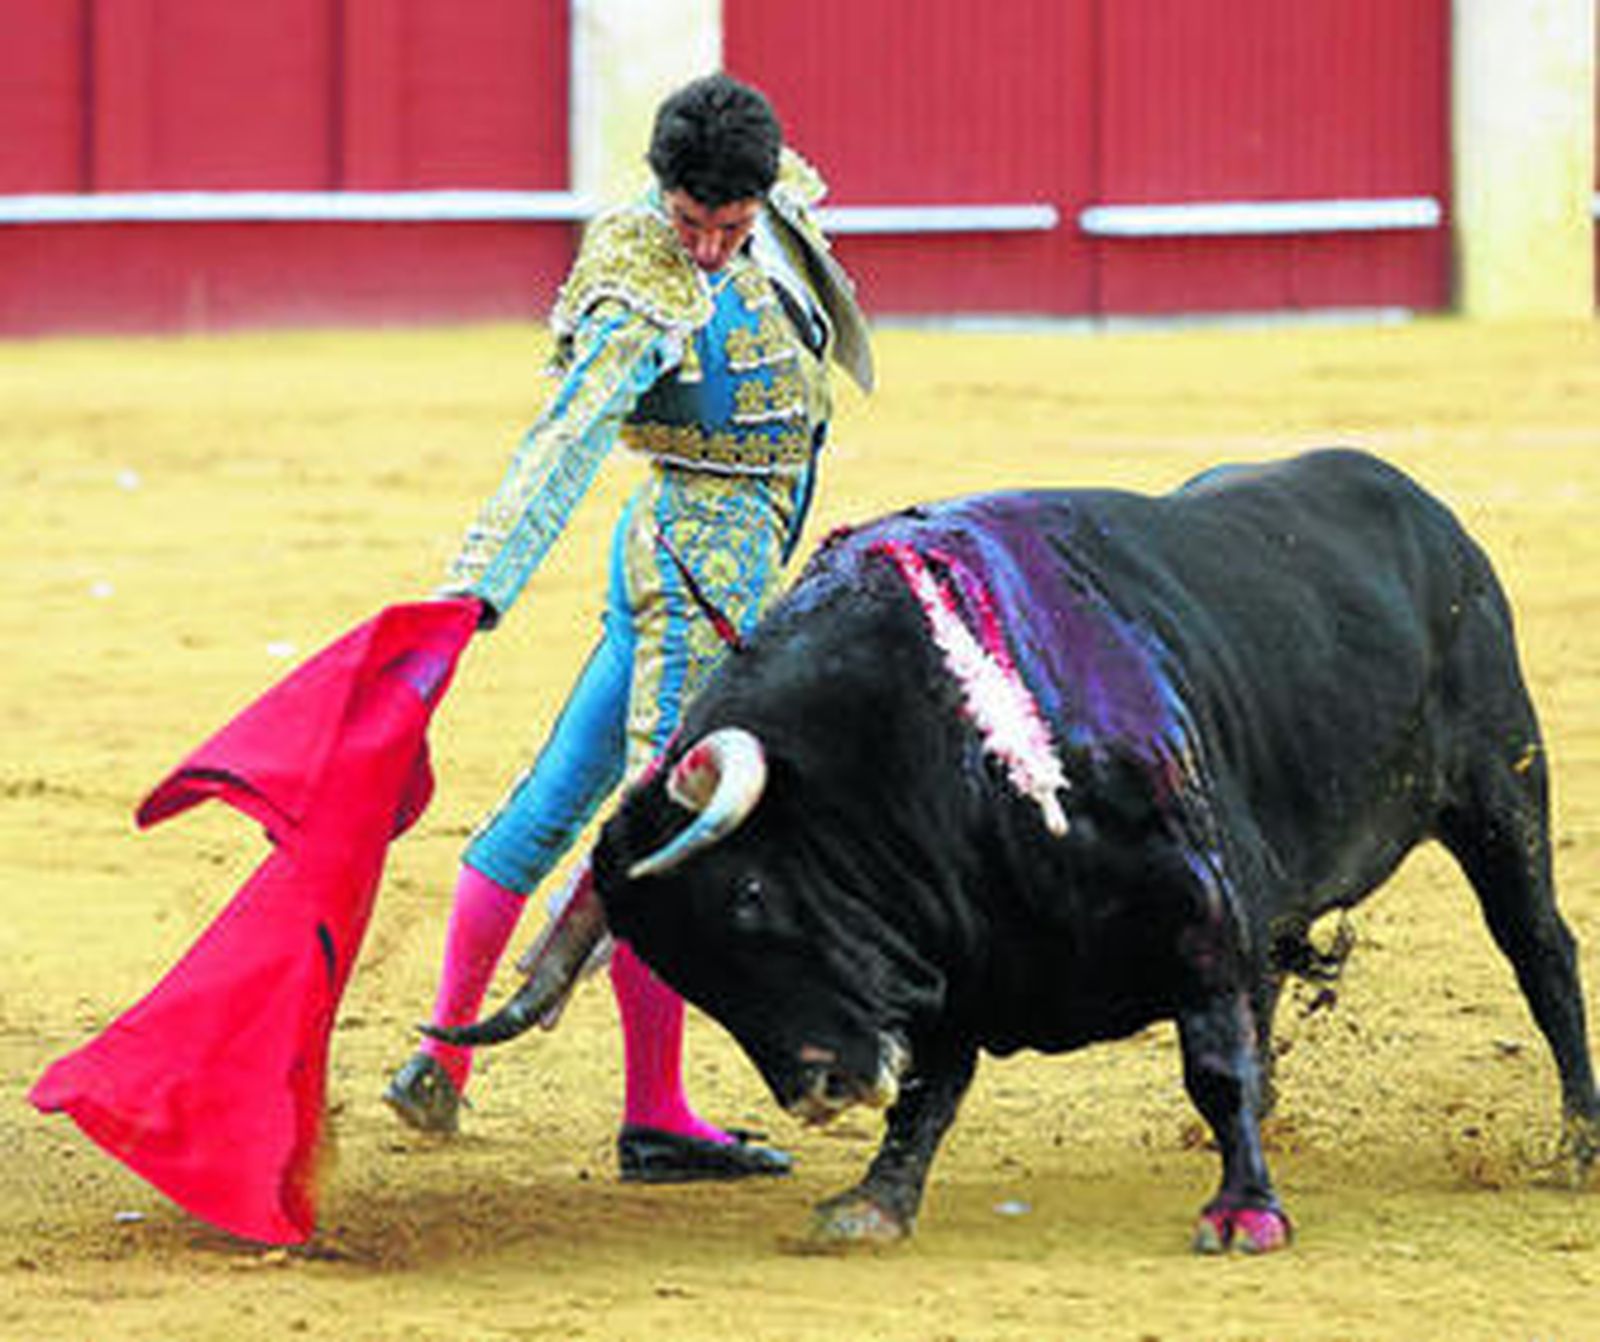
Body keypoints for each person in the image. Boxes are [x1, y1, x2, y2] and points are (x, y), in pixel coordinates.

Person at [383, 73, 873, 1182]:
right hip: (697, 566)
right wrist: (478, 587)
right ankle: (652, 1111)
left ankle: (438, 1063)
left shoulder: (779, 203)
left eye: (727, 227)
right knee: (670, 826)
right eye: (690, 223)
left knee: (563, 795)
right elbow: (561, 442)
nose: (705, 249)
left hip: (705, 554)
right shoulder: (636, 285)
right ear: (662, 195)